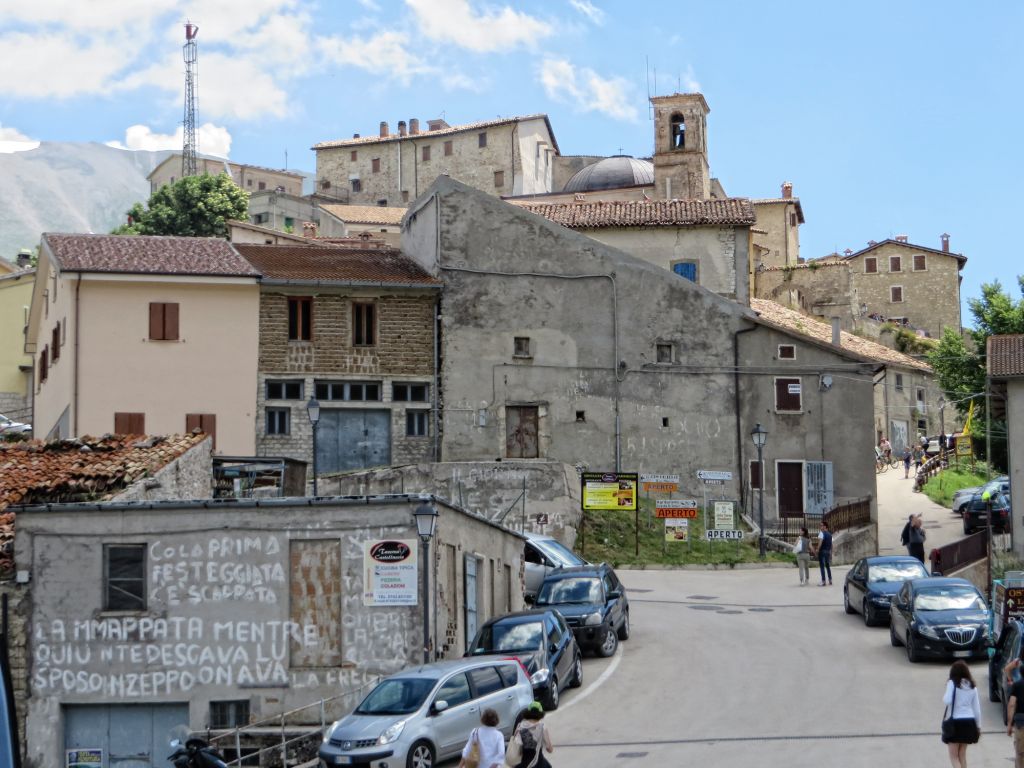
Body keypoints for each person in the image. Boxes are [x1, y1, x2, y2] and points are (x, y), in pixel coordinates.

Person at [942, 660, 981, 768]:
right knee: (962, 755)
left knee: (953, 757)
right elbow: (977, 709)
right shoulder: (972, 686)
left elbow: (947, 700)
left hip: (955, 723)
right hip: (969, 722)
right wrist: (978, 726)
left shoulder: (952, 683)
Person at [510, 701, 554, 768]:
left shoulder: (520, 727)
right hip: (539, 764)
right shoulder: (542, 727)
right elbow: (550, 749)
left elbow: (516, 747)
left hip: (523, 764)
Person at [1005, 658, 1024, 767]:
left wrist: (1012, 682)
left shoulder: (1018, 661)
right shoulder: (1019, 661)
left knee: (1020, 753)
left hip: (1020, 719)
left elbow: (1007, 669)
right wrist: (1011, 681)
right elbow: (1007, 669)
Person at [815, 521, 832, 586]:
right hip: (828, 551)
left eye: (821, 525)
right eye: (820, 525)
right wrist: (830, 552)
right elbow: (831, 544)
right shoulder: (830, 534)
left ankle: (823, 581)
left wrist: (817, 549)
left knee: (822, 566)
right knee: (827, 566)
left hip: (822, 551)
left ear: (825, 526)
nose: (820, 527)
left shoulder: (821, 533)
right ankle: (830, 580)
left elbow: (820, 542)